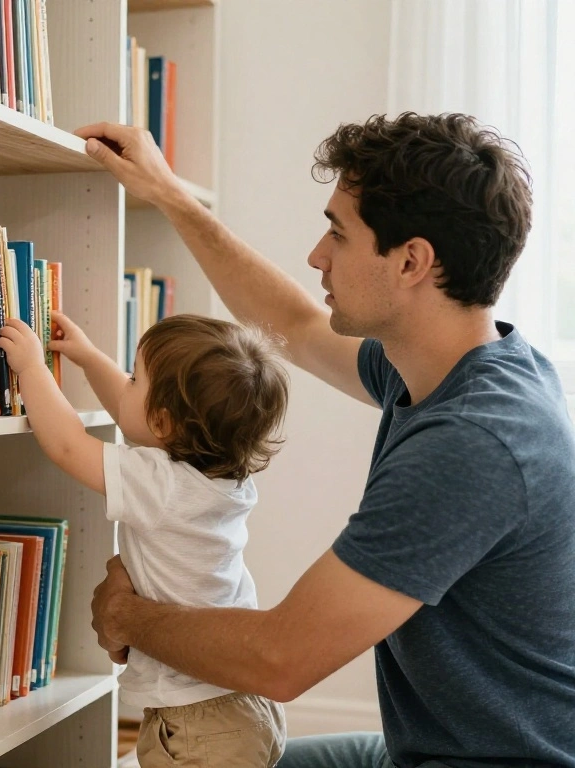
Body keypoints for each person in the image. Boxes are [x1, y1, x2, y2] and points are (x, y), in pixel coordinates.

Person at [73, 112, 575, 768]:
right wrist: (169, 193)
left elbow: (280, 660)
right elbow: (296, 326)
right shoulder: (453, 365)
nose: (317, 254)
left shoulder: (473, 445)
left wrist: (128, 617)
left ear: (411, 262)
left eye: (338, 233)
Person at [0, 309, 291, 767]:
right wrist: (90, 359)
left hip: (197, 721)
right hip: (244, 704)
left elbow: (69, 445)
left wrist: (32, 367)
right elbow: (137, 417)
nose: (126, 384)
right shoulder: (221, 481)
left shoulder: (159, 483)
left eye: (134, 378)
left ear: (166, 422)